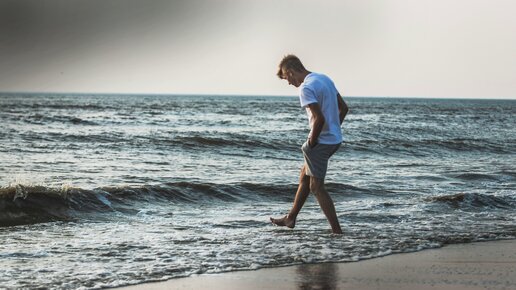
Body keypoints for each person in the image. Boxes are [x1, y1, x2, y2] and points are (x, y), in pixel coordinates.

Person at [270, 55, 348, 234]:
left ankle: (337, 232)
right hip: (334, 139)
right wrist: (334, 129)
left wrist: (312, 142)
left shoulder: (306, 87)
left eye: (286, 78)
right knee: (304, 175)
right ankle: (291, 218)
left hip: (321, 142)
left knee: (316, 187)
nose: (288, 83)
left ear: (290, 71)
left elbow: (319, 119)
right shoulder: (324, 78)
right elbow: (344, 108)